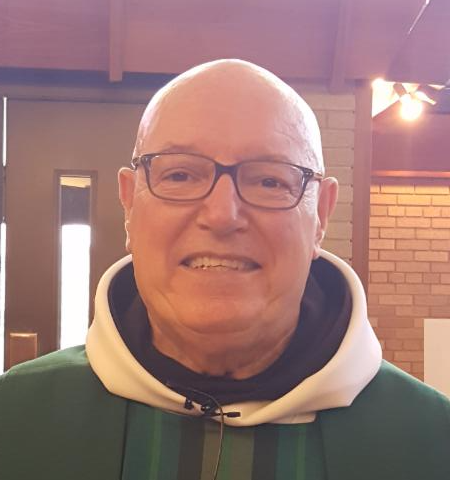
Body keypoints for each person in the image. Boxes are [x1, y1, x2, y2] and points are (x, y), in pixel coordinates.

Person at [1, 59, 449, 480]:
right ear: (129, 205)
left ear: (321, 216)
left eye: (269, 180)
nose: (221, 215)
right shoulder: (16, 418)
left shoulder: (431, 440)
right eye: (180, 175)